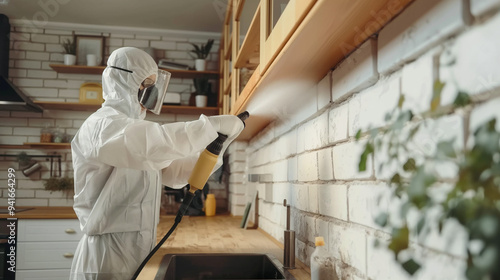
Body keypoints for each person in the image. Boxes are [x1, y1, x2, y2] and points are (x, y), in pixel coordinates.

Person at [69, 47, 243, 280]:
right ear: (122, 81)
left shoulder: (133, 131)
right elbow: (156, 144)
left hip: (139, 247)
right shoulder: (102, 125)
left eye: (152, 86)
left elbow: (175, 173)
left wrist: (217, 145)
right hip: (105, 255)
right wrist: (210, 126)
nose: (149, 94)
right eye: (145, 85)